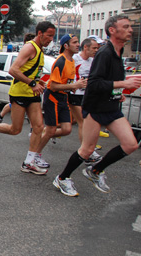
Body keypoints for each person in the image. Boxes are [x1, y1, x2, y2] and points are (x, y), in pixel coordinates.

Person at [53, 15, 141, 196]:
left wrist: (118, 92)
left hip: (111, 108)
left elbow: (109, 82)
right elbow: (94, 84)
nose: (130, 30)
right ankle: (62, 178)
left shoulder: (118, 51)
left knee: (131, 144)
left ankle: (95, 170)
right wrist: (123, 85)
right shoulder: (105, 53)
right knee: (87, 150)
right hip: (95, 109)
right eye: (125, 26)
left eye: (130, 27)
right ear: (112, 30)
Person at [0, 22, 56, 175]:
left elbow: (29, 71)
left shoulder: (40, 49)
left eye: (53, 36)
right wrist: (32, 83)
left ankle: (29, 162)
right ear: (40, 34)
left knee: (38, 127)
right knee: (15, 129)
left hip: (32, 94)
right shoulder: (29, 47)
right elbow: (13, 70)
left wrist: (38, 81)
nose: (51, 39)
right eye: (49, 36)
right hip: (20, 93)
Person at [34, 34, 87, 167]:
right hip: (53, 97)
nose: (77, 44)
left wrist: (72, 87)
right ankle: (35, 155)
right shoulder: (60, 61)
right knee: (51, 130)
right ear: (66, 46)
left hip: (63, 97)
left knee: (67, 129)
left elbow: (66, 82)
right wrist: (73, 86)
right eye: (74, 42)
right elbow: (52, 85)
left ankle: (40, 137)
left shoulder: (72, 61)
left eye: (77, 42)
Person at [70, 37, 102, 160]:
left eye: (97, 48)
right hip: (74, 93)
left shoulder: (93, 61)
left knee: (68, 125)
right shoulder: (74, 59)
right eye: (94, 48)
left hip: (87, 95)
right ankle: (87, 151)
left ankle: (49, 132)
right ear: (85, 47)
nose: (96, 50)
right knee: (83, 122)